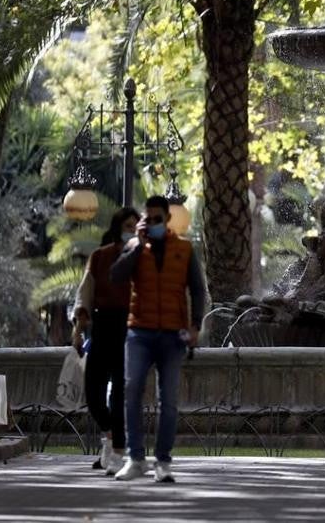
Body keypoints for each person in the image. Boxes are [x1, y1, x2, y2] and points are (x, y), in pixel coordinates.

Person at [110, 196, 205, 484]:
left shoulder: (185, 249)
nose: (152, 224)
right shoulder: (135, 248)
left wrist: (195, 326)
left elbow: (198, 290)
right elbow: (116, 276)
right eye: (147, 219)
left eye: (157, 219)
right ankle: (135, 458)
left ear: (166, 219)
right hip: (140, 331)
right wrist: (137, 246)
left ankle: (163, 461)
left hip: (173, 335)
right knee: (131, 388)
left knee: (169, 401)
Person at [72, 207, 139, 475]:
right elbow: (84, 294)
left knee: (122, 393)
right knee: (93, 391)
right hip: (102, 326)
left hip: (130, 328)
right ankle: (110, 436)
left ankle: (116, 452)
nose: (132, 230)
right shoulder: (99, 257)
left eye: (136, 226)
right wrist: (78, 327)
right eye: (128, 225)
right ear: (117, 227)